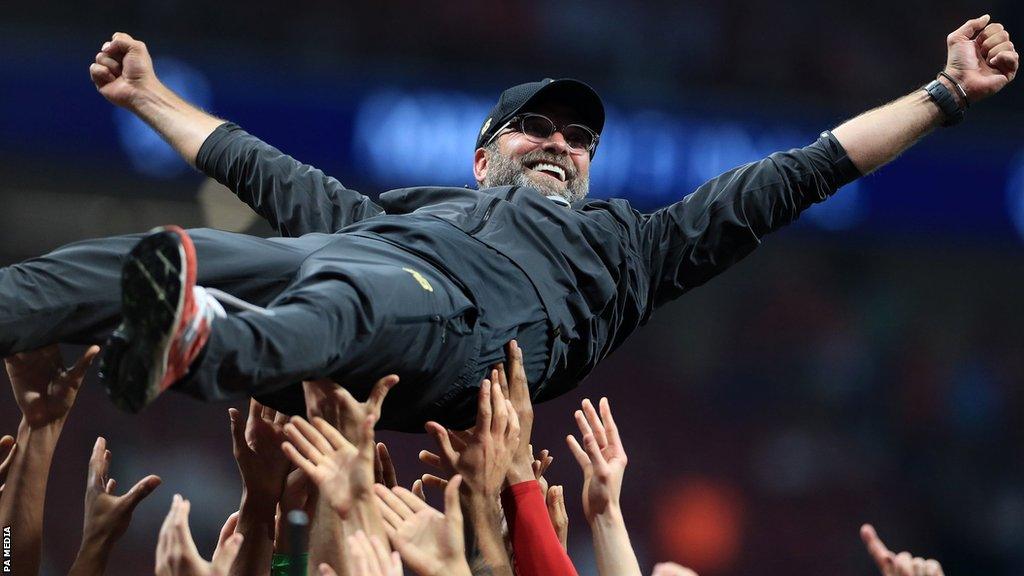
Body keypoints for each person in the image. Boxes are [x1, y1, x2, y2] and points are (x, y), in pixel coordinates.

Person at [0, 16, 1017, 430]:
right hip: (375, 261)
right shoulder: (402, 207)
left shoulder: (633, 244)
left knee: (349, 295)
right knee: (153, 259)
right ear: (483, 156)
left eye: (578, 136)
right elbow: (255, 165)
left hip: (471, 330)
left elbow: (804, 171)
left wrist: (943, 92)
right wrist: (146, 97)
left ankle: (209, 341)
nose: (560, 142)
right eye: (534, 127)